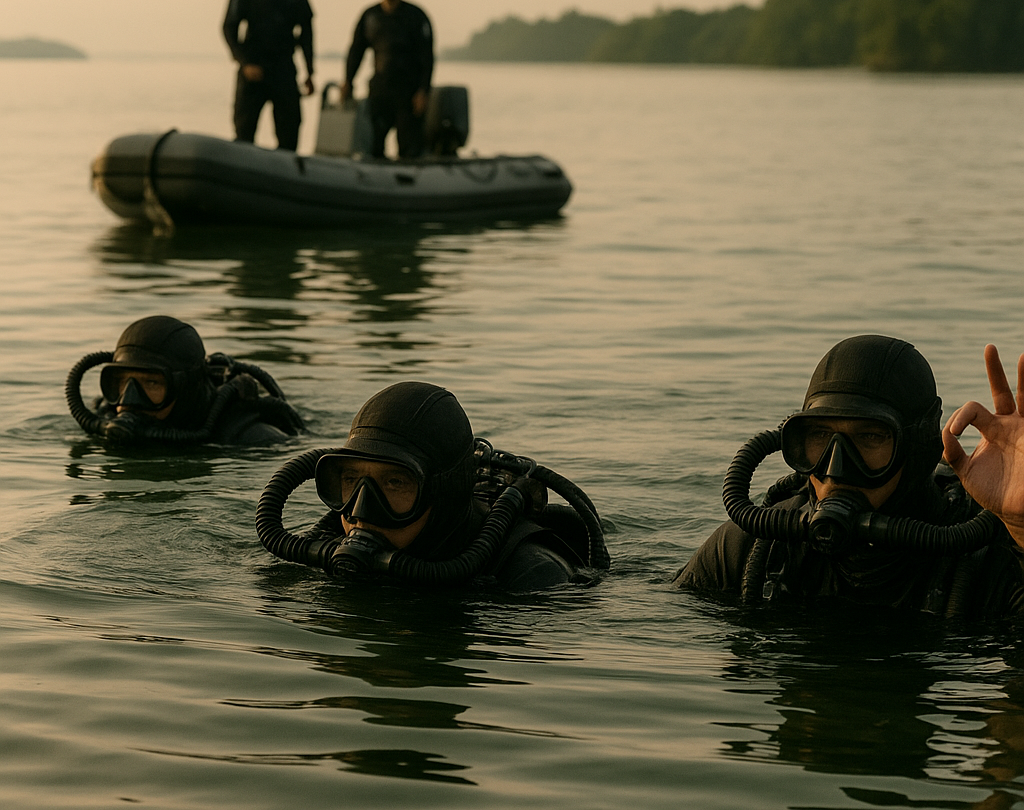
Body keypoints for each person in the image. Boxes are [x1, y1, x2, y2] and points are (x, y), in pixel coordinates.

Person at [673, 334, 1024, 616]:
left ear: (916, 450)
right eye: (820, 437)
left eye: (870, 438)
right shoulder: (750, 549)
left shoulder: (994, 560)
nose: (835, 471)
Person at [256, 381, 609, 591]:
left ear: (442, 493)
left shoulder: (531, 575)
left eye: (394, 482)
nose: (361, 513)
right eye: (351, 480)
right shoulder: (327, 546)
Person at [66, 316, 304, 445]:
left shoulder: (251, 438)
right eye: (121, 383)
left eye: (152, 384)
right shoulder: (104, 418)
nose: (129, 401)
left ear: (184, 388)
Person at [222, 0, 314, 152]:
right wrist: (244, 62)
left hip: (283, 68)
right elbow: (228, 28)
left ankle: (287, 177)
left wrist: (310, 71)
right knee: (244, 132)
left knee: (289, 130)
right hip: (253, 68)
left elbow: (307, 32)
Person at [341, 0, 434, 159]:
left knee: (409, 147)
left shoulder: (415, 17)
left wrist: (423, 90)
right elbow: (356, 51)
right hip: (380, 89)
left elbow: (427, 57)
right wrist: (348, 81)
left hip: (408, 91)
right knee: (374, 145)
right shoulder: (370, 16)